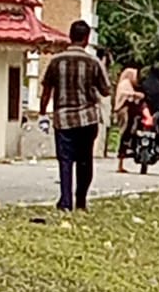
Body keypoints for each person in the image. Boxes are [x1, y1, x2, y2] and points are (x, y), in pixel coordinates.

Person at [39, 19, 111, 213]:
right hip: (87, 119)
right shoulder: (93, 62)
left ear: (70, 36)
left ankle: (65, 202)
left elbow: (46, 90)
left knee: (65, 160)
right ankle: (81, 201)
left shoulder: (56, 61)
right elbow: (106, 91)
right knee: (85, 160)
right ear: (86, 39)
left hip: (62, 119)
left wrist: (42, 113)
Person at [113, 64, 141, 169]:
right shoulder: (125, 84)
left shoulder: (128, 84)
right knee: (124, 131)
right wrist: (136, 95)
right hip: (123, 110)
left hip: (125, 110)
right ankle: (121, 158)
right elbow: (125, 94)